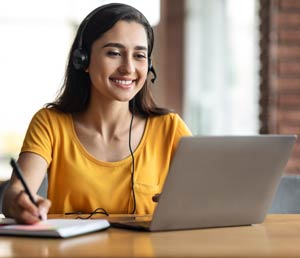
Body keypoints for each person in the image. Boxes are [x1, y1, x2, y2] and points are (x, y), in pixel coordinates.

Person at [2, 3, 191, 224]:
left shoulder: (169, 128)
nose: (128, 68)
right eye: (114, 53)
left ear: (148, 65)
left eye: (139, 55)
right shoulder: (50, 123)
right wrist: (21, 201)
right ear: (83, 60)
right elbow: (14, 194)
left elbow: (207, 195)